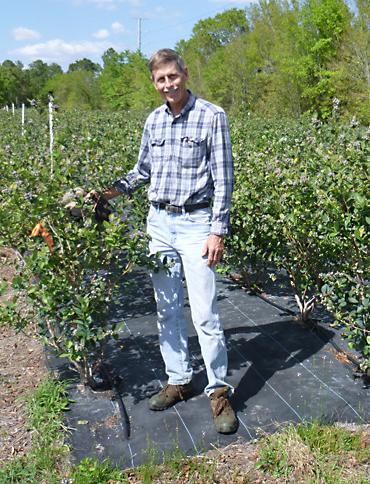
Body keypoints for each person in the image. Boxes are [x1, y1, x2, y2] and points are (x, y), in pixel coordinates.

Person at [92, 48, 237, 434]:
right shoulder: (154, 121)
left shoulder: (211, 116)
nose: (168, 84)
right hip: (159, 224)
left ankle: (219, 393)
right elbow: (141, 171)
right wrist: (107, 193)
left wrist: (216, 230)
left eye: (173, 76)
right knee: (168, 310)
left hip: (196, 225)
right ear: (154, 83)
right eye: (161, 80)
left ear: (185, 74)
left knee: (205, 314)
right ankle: (178, 380)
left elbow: (224, 179)